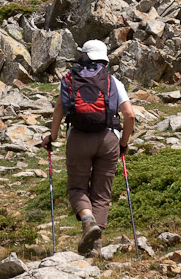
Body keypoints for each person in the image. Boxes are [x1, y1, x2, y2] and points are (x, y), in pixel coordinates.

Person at [41, 39, 135, 257]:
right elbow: (129, 115)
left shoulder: (70, 79)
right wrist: (124, 143)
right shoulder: (113, 81)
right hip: (109, 138)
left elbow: (59, 109)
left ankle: (87, 220)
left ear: (83, 56)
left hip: (78, 138)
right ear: (104, 59)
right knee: (102, 193)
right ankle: (94, 246)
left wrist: (52, 137)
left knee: (77, 188)